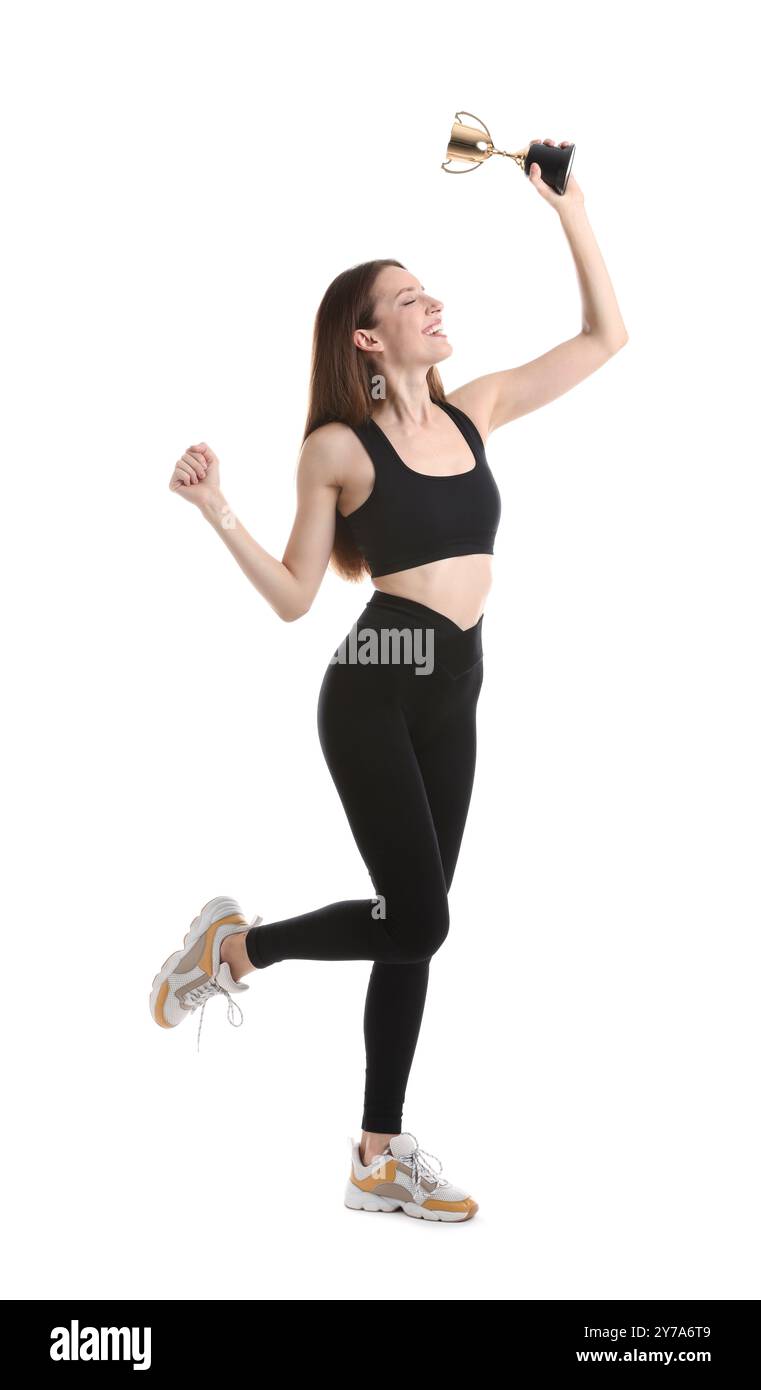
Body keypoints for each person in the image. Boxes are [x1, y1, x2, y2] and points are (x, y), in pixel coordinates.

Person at [149, 140, 628, 1222]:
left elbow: (607, 336)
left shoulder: (477, 409)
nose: (432, 304)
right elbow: (292, 593)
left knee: (408, 918)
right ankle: (234, 951)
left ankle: (376, 1155)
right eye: (409, 300)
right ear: (367, 336)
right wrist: (217, 507)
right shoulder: (338, 445)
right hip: (375, 678)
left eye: (426, 293)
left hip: (455, 681)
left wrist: (571, 209)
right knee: (417, 918)